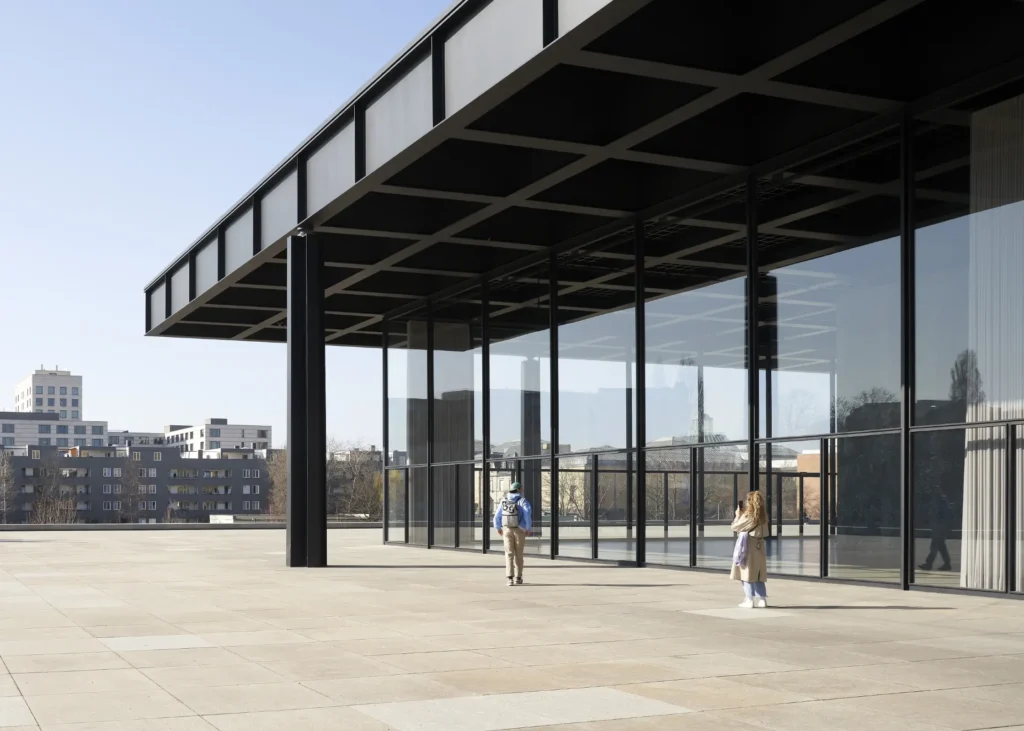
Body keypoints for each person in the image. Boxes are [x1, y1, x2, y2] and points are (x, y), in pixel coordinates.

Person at [730, 491, 768, 608]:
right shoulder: (764, 516)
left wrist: (737, 516)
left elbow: (735, 527)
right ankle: (762, 599)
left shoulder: (748, 516)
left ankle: (749, 599)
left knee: (746, 572)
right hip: (760, 545)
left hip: (748, 546)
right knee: (758, 574)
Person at [494, 481, 532, 587]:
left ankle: (509, 578)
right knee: (519, 554)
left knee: (509, 553)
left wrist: (498, 527)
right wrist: (528, 528)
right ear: (519, 490)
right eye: (521, 488)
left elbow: (497, 515)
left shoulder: (504, 500)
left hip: (507, 529)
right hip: (520, 530)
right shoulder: (523, 501)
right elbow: (527, 515)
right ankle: (518, 578)